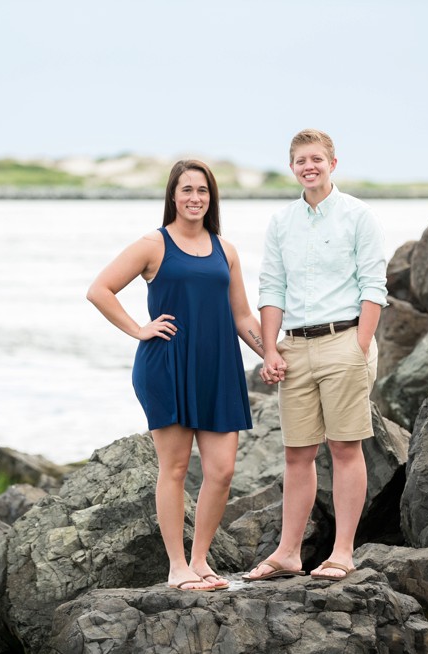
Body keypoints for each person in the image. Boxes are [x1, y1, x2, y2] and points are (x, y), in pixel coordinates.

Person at [87, 159, 265, 592]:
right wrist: (139, 329)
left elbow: (242, 315)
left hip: (219, 368)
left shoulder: (226, 249)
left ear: (211, 197)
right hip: (167, 365)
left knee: (221, 471)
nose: (194, 198)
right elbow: (99, 290)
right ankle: (176, 566)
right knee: (176, 467)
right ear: (172, 195)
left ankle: (201, 560)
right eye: (186, 190)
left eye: (202, 191)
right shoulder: (154, 244)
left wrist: (271, 353)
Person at [244, 129, 387, 582]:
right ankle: (288, 553)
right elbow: (271, 289)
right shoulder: (282, 222)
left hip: (344, 340)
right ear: (293, 168)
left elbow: (373, 286)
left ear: (332, 163)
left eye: (316, 159)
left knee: (345, 447)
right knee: (296, 453)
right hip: (295, 346)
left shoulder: (357, 216)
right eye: (301, 161)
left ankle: (343, 552)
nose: (309, 167)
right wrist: (270, 350)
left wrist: (359, 346)